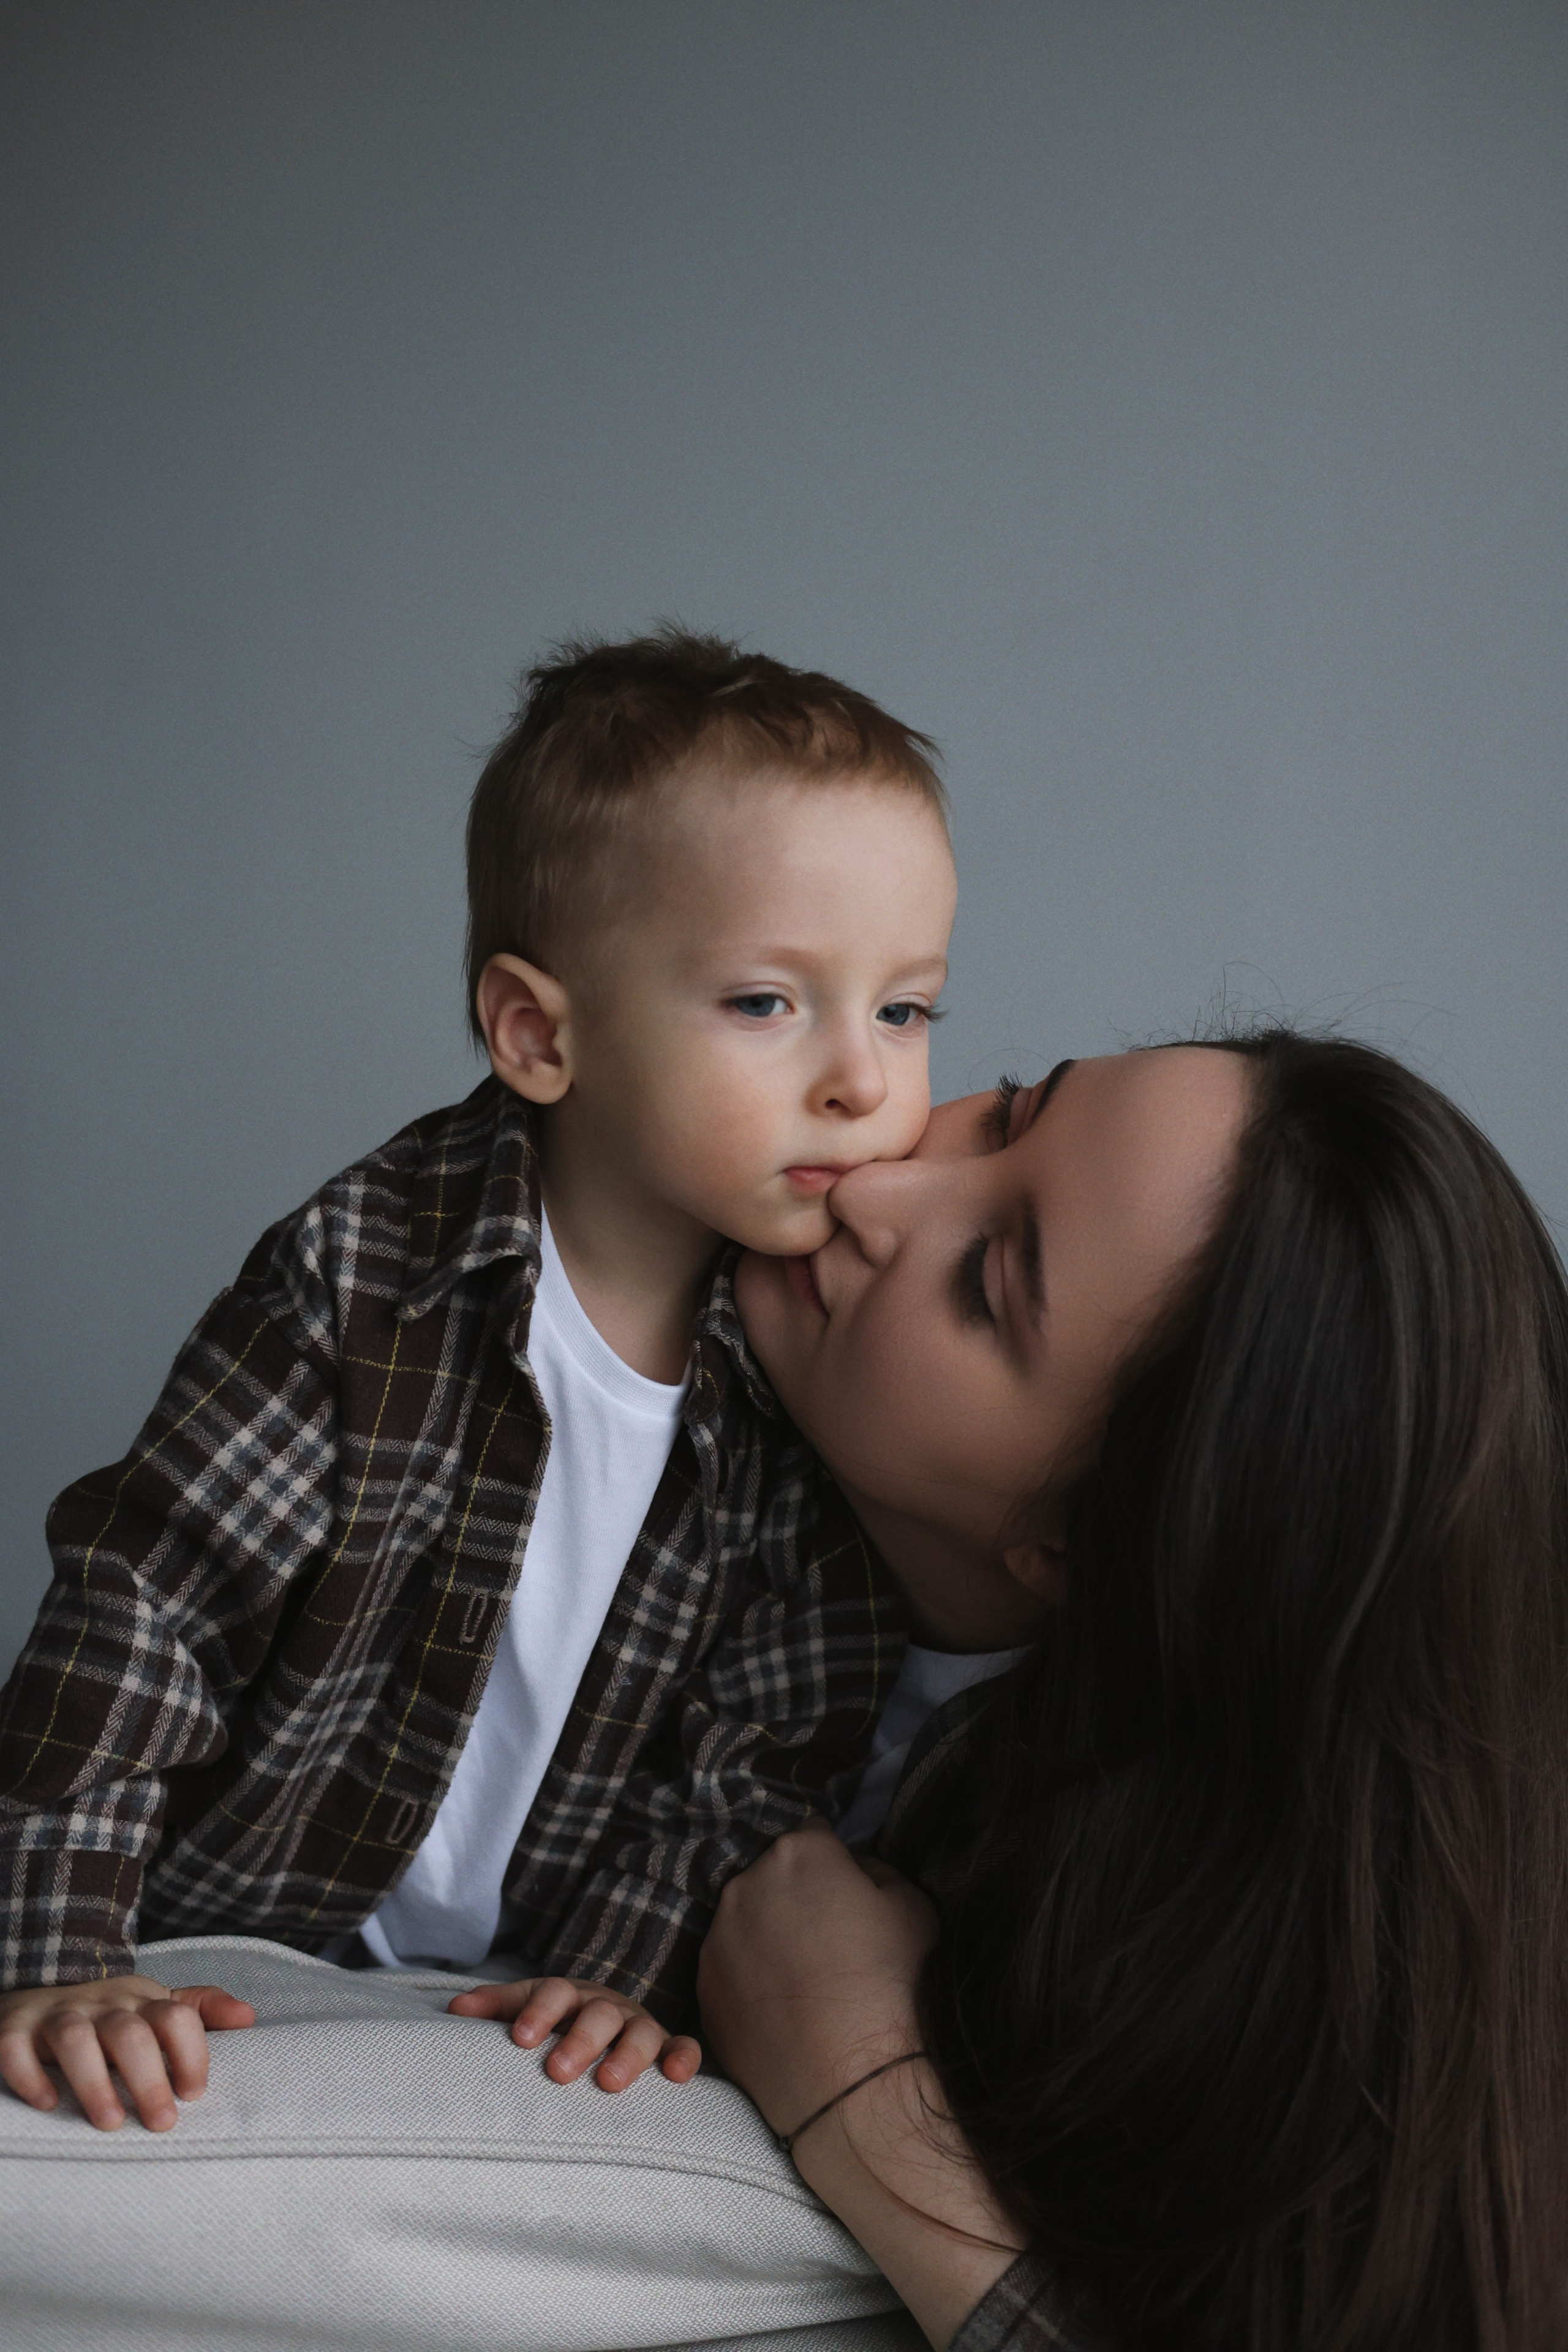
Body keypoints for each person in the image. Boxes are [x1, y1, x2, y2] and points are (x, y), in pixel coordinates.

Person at [0, 627, 956, 2135]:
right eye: (768, 1002)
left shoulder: (801, 1357)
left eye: (904, 1009)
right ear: (538, 1032)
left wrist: (627, 1966)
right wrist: (64, 1951)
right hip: (239, 1918)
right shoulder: (365, 1277)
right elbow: (149, 1608)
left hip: (523, 1979)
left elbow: (764, 1733)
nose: (863, 1078)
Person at [701, 1031, 1568, 2352]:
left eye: (985, 1288)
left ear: (1078, 1549)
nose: (874, 1196)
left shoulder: (1209, 2028)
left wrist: (860, 2093)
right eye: (1005, 1117)